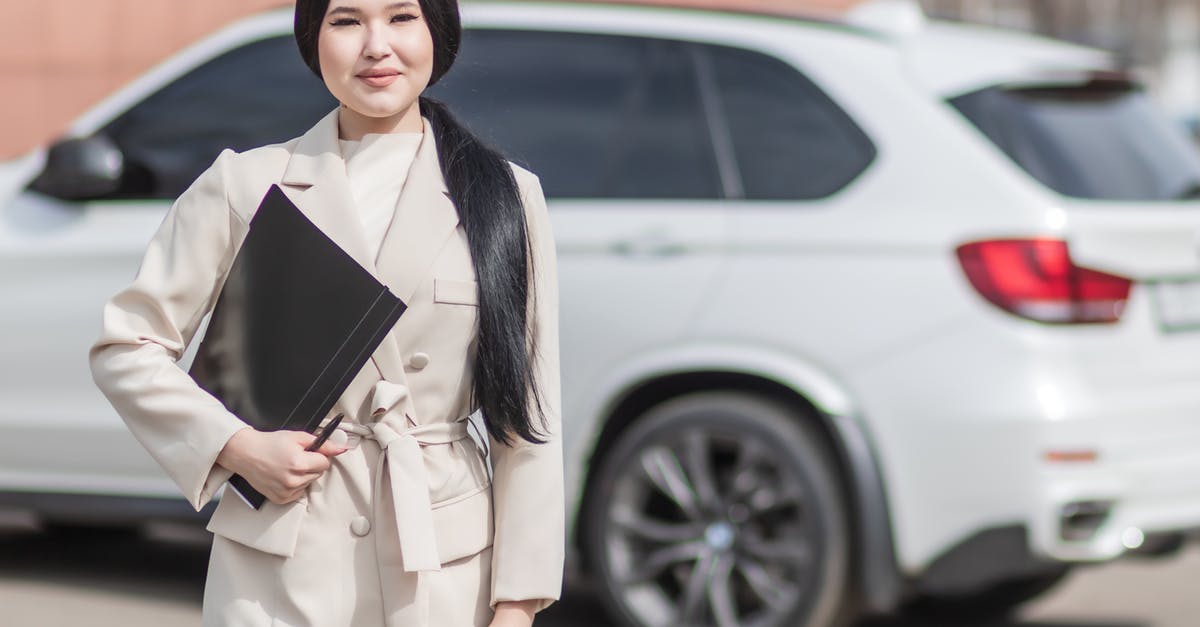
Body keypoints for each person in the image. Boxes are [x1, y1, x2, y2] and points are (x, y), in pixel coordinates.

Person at [86, 0, 564, 625]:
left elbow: (530, 416)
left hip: (444, 565)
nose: (376, 46)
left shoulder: (505, 194)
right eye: (346, 21)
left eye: (401, 18)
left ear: (437, 33)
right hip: (281, 562)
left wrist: (518, 605)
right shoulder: (246, 184)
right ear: (313, 40)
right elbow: (128, 346)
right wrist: (237, 446)